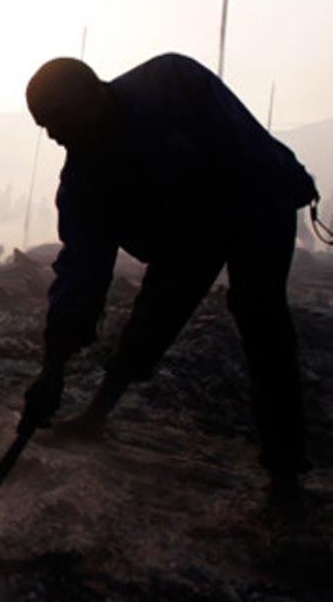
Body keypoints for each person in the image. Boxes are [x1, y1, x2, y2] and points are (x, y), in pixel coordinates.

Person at [19, 54, 318, 518]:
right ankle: (95, 418)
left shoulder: (171, 83)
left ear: (94, 93)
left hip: (255, 199)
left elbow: (244, 147)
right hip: (185, 235)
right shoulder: (83, 180)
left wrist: (276, 193)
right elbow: (82, 268)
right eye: (45, 128)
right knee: (149, 322)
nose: (55, 136)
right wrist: (53, 365)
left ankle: (285, 475)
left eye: (59, 120)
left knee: (262, 320)